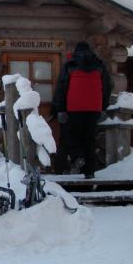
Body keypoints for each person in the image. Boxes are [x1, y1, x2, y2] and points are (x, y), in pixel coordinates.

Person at [53, 41, 112, 179]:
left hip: (74, 106)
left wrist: (60, 108)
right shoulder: (99, 65)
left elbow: (62, 87)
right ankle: (89, 172)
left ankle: (78, 157)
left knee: (72, 135)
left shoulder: (70, 64)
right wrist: (103, 106)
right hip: (94, 107)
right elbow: (107, 86)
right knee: (90, 138)